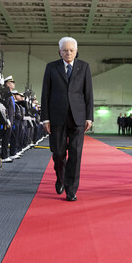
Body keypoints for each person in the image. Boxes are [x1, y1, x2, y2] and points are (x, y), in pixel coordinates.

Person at [41, 36, 94, 201]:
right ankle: (61, 177)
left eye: (71, 50)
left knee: (76, 154)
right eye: (65, 50)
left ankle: (71, 189)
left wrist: (89, 117)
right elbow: (45, 94)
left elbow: (88, 94)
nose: (68, 53)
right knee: (58, 152)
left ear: (76, 51)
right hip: (57, 117)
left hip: (78, 116)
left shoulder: (84, 67)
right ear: (59, 52)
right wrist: (45, 119)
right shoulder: (51, 67)